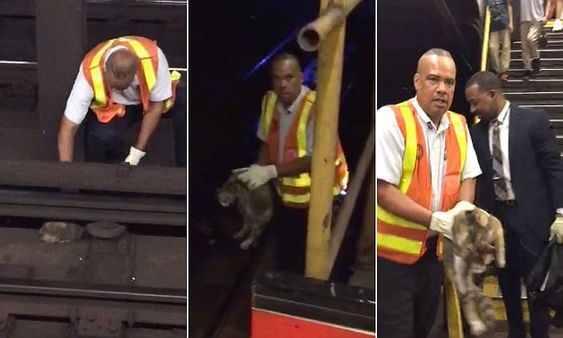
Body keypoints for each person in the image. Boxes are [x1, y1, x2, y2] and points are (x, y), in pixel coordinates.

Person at [376, 48, 482, 338]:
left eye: (449, 82)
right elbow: (383, 190)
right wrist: (434, 220)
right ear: (417, 81)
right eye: (434, 79)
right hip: (392, 258)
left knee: (424, 329)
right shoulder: (391, 119)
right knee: (395, 331)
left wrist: (462, 208)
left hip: (433, 256)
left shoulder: (459, 124)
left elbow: (469, 175)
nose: (442, 89)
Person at [465, 71, 563, 338]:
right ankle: (515, 331)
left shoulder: (532, 121)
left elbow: (553, 167)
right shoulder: (475, 133)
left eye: (476, 103)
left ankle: (540, 333)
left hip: (533, 217)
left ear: (493, 95)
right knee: (507, 281)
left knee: (538, 284)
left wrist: (561, 212)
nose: (473, 110)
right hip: (499, 220)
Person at [235, 53, 348, 274]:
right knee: (289, 258)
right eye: (277, 79)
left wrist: (269, 171)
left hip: (323, 200)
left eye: (288, 78)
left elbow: (316, 159)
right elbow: (267, 141)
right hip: (288, 198)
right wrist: (257, 170)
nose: (282, 85)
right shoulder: (269, 101)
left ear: (300, 78)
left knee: (320, 262)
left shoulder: (317, 107)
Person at [58, 35, 186, 167]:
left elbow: (155, 106)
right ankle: (113, 177)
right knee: (101, 136)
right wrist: (65, 172)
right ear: (105, 70)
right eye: (114, 86)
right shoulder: (89, 72)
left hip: (148, 100)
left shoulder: (153, 57)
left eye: (124, 86)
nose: (119, 89)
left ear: (135, 72)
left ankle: (184, 170)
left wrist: (137, 152)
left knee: (185, 100)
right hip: (116, 108)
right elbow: (68, 128)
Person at [489, 0, 513, 81]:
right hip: (492, 25)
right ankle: (497, 70)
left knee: (506, 46)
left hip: (504, 22)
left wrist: (511, 22)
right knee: (492, 47)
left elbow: (509, 6)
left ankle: (504, 71)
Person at [520, 0, 545, 78]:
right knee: (524, 46)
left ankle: (536, 58)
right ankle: (527, 68)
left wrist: (547, 15)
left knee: (530, 38)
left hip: (537, 18)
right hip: (524, 18)